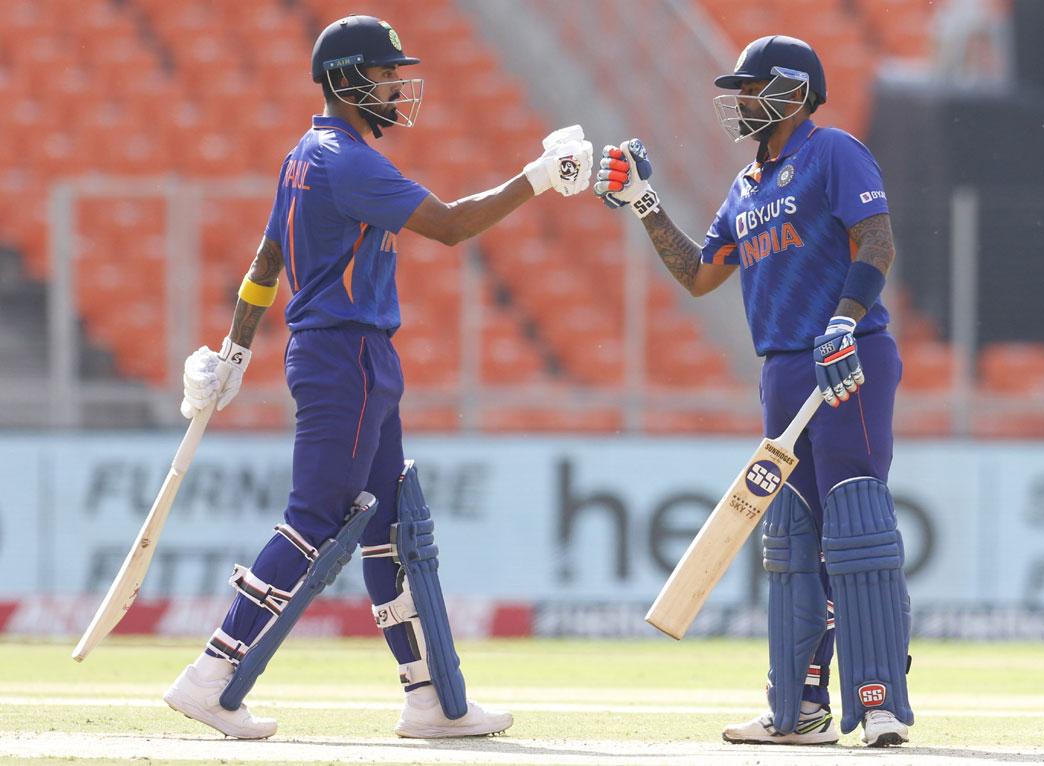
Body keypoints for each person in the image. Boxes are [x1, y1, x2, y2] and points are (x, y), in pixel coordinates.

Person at [162, 14, 593, 740]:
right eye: (386, 73)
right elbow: (452, 225)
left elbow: (266, 263)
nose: (398, 84)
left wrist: (236, 353)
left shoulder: (305, 153)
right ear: (346, 80)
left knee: (390, 528)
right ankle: (211, 673)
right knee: (314, 518)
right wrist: (539, 177)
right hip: (346, 355)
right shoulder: (348, 160)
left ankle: (428, 699)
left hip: (350, 354)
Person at [594, 35, 913, 747]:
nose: (737, 100)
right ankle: (798, 709)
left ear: (794, 92)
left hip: (847, 356)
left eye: (750, 87)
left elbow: (877, 241)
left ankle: (880, 700)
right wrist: (644, 200)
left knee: (854, 528)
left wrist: (844, 320)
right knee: (795, 541)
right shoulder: (745, 186)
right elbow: (702, 274)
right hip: (782, 370)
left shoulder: (834, 153)